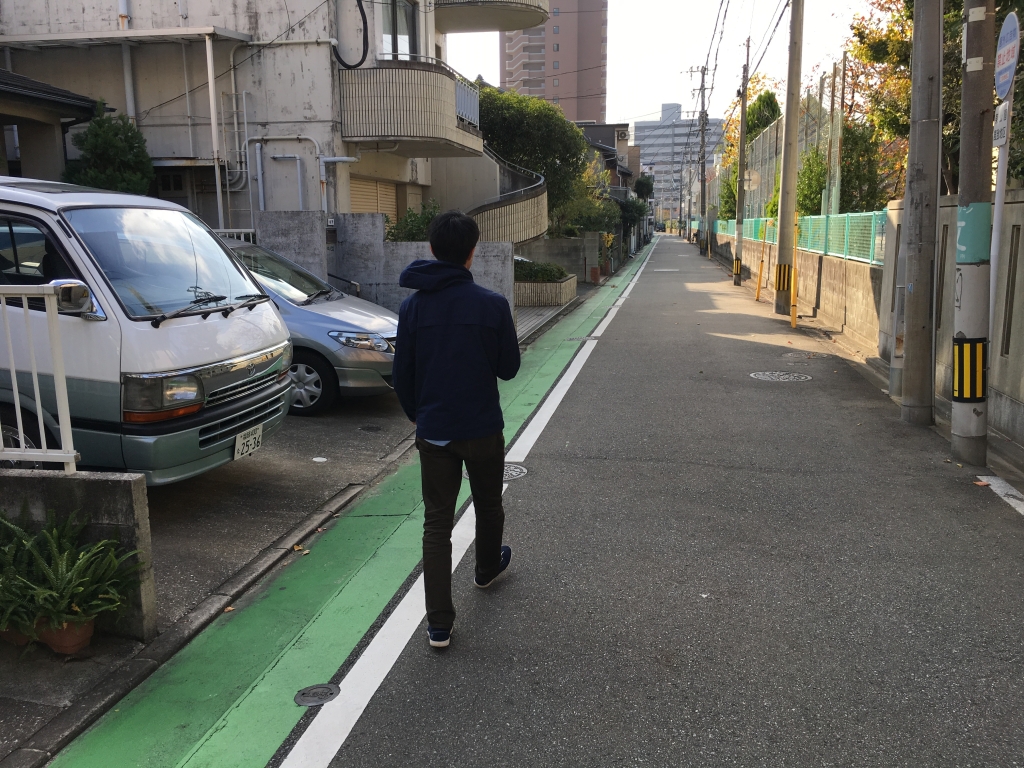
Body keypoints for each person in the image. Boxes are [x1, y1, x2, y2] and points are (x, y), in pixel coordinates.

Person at [393, 211, 521, 649]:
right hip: (482, 426)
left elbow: (402, 372)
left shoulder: (412, 307)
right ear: (473, 252)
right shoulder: (492, 305)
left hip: (435, 432)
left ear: (431, 249)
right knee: (488, 503)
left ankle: (439, 623)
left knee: (436, 523)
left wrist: (417, 414)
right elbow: (509, 369)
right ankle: (486, 570)